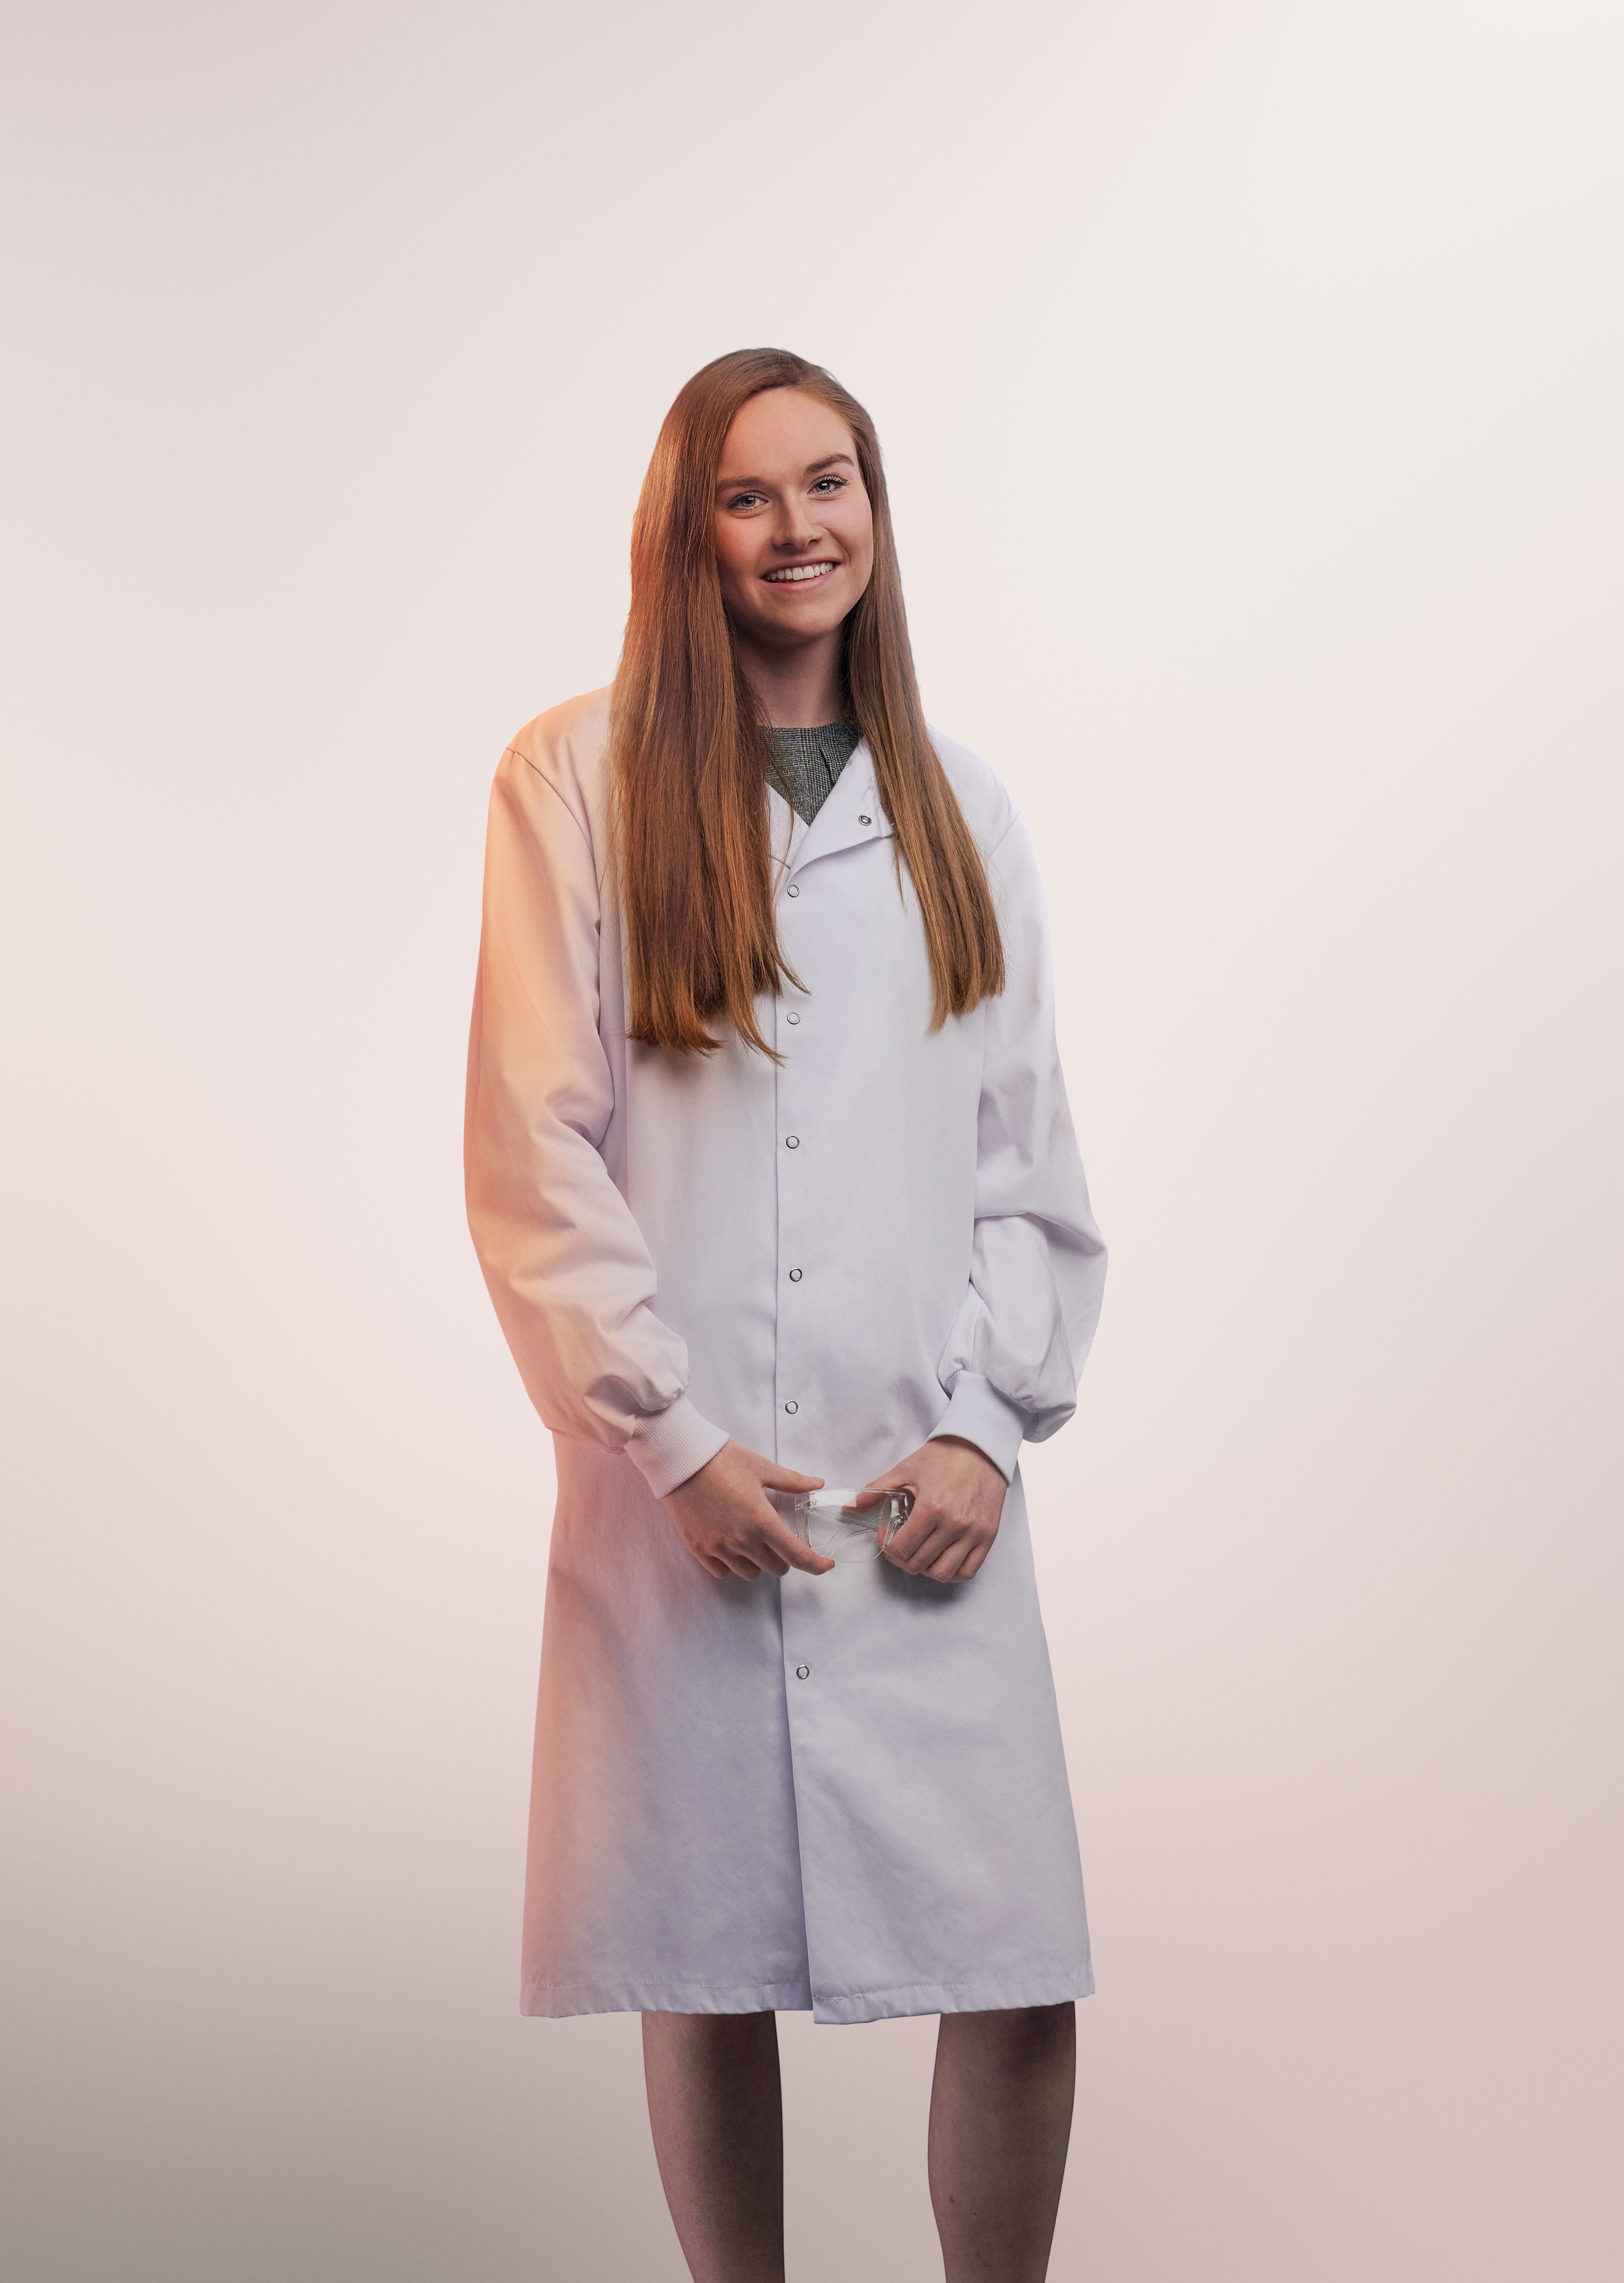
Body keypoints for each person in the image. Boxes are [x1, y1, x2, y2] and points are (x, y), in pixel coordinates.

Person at [464, 347, 1107, 2283]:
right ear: (687, 529)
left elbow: (1027, 1166)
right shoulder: (570, 781)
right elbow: (531, 1143)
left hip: (924, 1490)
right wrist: (663, 1435)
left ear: (876, 515)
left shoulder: (958, 809)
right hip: (692, 1490)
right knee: (706, 1955)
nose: (797, 526)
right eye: (748, 494)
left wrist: (987, 1425)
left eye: (831, 483)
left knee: (1010, 1963)